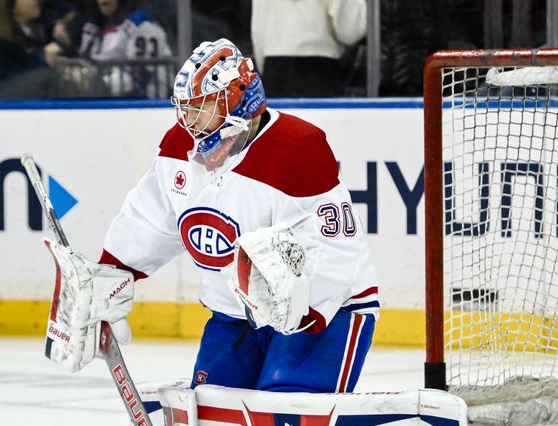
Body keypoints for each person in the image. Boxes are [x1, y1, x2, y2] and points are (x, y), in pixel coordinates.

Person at [46, 38, 378, 394]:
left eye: (201, 108)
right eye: (185, 109)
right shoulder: (180, 146)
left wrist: (303, 306)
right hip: (233, 320)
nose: (190, 121)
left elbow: (336, 249)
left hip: (322, 318)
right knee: (211, 414)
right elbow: (149, 219)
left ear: (240, 100)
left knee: (285, 414)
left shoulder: (298, 148)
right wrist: (111, 276)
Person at [251, 0, 367, 96]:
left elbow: (258, 32)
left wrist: (267, 70)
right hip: (319, 71)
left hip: (273, 68)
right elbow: (350, 32)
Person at [77, 0, 174, 97]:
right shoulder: (95, 25)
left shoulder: (141, 23)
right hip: (112, 100)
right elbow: (85, 63)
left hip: (150, 103)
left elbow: (140, 74)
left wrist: (99, 84)